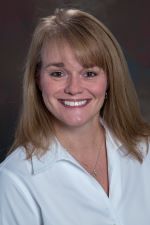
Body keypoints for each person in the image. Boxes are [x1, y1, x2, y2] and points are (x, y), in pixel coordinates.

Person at [0, 8, 150, 225]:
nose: (74, 88)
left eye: (89, 73)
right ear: (38, 79)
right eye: (57, 73)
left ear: (109, 79)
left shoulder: (145, 150)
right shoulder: (15, 180)